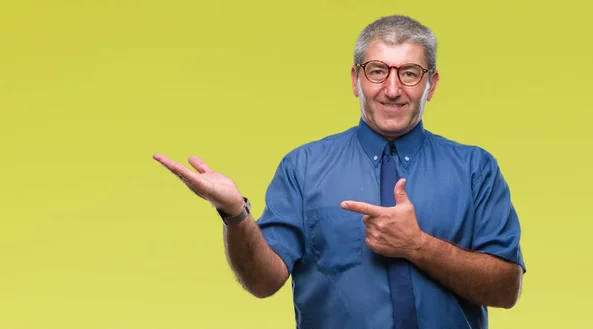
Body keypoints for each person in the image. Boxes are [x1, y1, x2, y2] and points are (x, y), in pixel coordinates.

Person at [152, 14, 526, 329]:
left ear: (431, 85)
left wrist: (418, 245)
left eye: (410, 73)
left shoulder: (476, 169)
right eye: (377, 71)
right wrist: (235, 213)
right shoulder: (303, 167)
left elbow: (506, 290)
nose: (392, 89)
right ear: (355, 80)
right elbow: (263, 282)